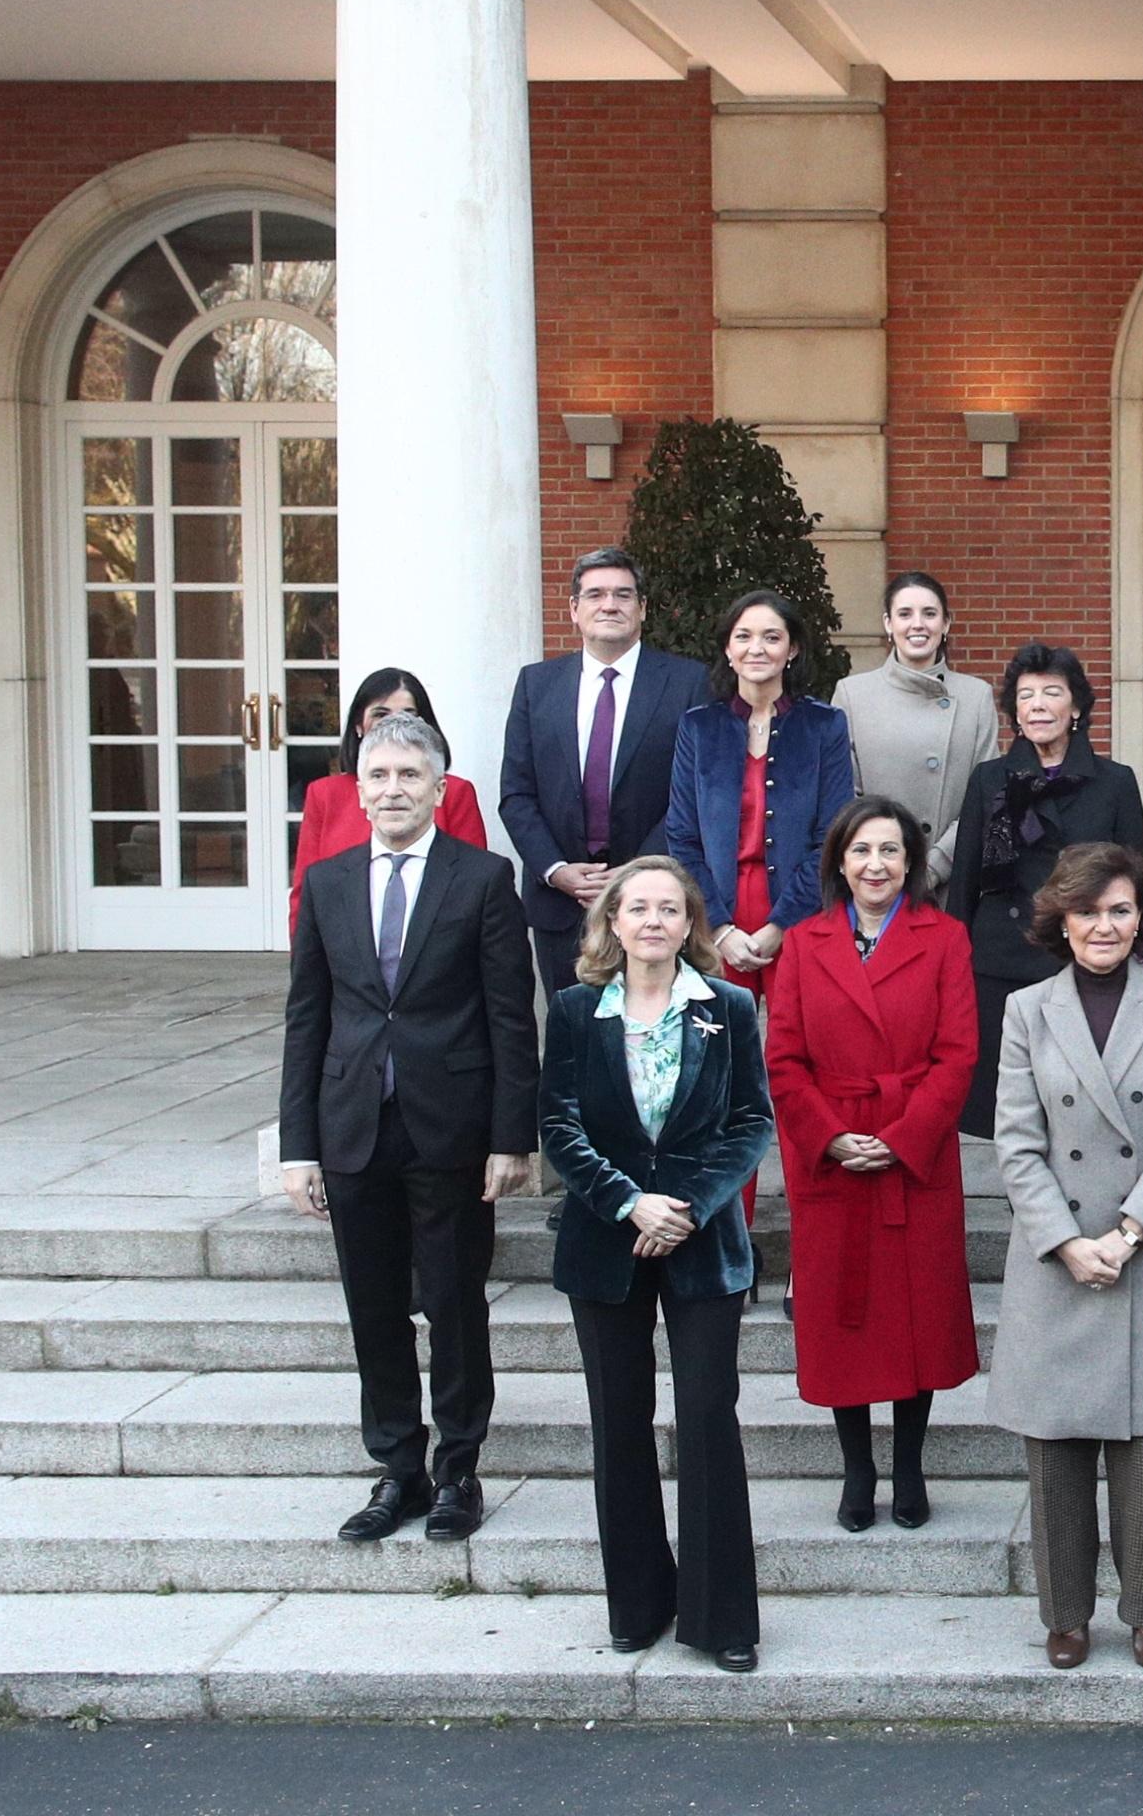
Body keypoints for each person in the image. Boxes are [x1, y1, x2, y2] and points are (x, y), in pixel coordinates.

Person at [280, 710, 536, 1545]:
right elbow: (305, 1019)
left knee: (456, 1302)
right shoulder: (326, 883)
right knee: (375, 1307)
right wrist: (298, 1146)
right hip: (353, 1125)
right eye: (378, 776)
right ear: (358, 791)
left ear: (438, 788)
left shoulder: (484, 879)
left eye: (408, 777)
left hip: (452, 1128)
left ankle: (460, 1467)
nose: (393, 790)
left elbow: (510, 1017)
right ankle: (399, 1467)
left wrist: (511, 1136)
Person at [537, 855, 772, 1673]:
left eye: (668, 909)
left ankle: (722, 1618)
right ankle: (637, 1603)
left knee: (708, 1417)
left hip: (701, 1243)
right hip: (606, 1242)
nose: (652, 921)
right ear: (611, 921)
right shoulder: (572, 1011)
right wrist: (628, 1203)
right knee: (620, 1424)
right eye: (636, 907)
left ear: (688, 924)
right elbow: (559, 1126)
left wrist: (688, 1207)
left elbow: (750, 1124)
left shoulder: (728, 1009)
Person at [988, 844, 1143, 1673]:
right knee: (1054, 1456)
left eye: (1120, 910)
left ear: (1141, 920)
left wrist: (1125, 1234)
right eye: (1087, 911)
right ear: (1061, 918)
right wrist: (1067, 1240)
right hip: (1055, 1257)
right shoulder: (1026, 1010)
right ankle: (1065, 1614)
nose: (1103, 926)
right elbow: (1016, 1143)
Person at [765, 795, 981, 1532]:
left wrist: (905, 1133)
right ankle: (857, 1469)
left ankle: (911, 1465)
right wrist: (827, 1136)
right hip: (830, 1158)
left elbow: (958, 1055)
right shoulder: (802, 942)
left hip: (912, 1156)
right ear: (839, 863)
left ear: (911, 864)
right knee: (843, 1320)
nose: (875, 865)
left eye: (890, 851)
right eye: (861, 851)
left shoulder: (946, 938)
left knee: (914, 1317)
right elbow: (784, 1057)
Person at [945, 644, 1143, 1139]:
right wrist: (954, 965)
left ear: (1075, 707)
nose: (1037, 704)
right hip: (1000, 965)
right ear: (1014, 710)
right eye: (1026, 694)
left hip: (1081, 962)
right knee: (1014, 1117)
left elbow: (1131, 883)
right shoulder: (990, 779)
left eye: (1051, 692)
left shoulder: (1116, 782)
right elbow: (965, 878)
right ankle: (1028, 1218)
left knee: (1080, 1110)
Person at [499, 547, 710, 997]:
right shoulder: (535, 684)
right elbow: (516, 794)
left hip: (656, 901)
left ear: (642, 608)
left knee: (652, 1035)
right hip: (561, 903)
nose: (609, 605)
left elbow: (693, 792)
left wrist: (637, 872)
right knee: (572, 1042)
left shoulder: (688, 683)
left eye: (623, 594)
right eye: (595, 595)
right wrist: (555, 869)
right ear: (574, 609)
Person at [666, 589, 855, 993]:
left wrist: (782, 924)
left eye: (772, 637)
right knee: (721, 1045)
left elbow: (833, 836)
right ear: (728, 650)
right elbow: (682, 836)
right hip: (715, 911)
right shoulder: (698, 727)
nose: (757, 649)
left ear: (792, 650)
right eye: (744, 636)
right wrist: (717, 928)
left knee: (798, 1046)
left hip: (802, 909)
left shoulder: (824, 726)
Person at [834, 570, 999, 896]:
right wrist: (881, 862)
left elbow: (985, 799)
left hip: (948, 881)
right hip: (874, 880)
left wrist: (934, 866)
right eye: (905, 614)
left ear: (946, 624)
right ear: (888, 623)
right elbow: (844, 795)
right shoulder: (852, 694)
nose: (917, 625)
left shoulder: (976, 696)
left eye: (930, 614)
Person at [287, 667, 488, 930]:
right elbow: (304, 897)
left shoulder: (455, 792)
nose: (395, 724)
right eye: (381, 714)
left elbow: (476, 890)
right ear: (359, 725)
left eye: (408, 715)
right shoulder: (325, 795)